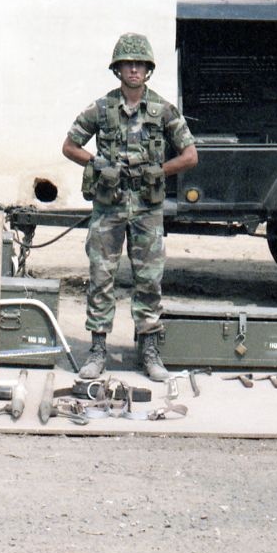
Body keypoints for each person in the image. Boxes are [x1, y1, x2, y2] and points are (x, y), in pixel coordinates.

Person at [62, 32, 197, 382]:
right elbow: (69, 146)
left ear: (148, 69)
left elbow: (190, 156)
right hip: (109, 208)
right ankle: (97, 350)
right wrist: (97, 164)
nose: (133, 69)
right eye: (127, 64)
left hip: (147, 210)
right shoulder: (101, 109)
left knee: (149, 280)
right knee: (100, 278)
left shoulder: (163, 110)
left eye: (139, 64)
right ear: (118, 69)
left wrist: (160, 169)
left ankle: (149, 350)